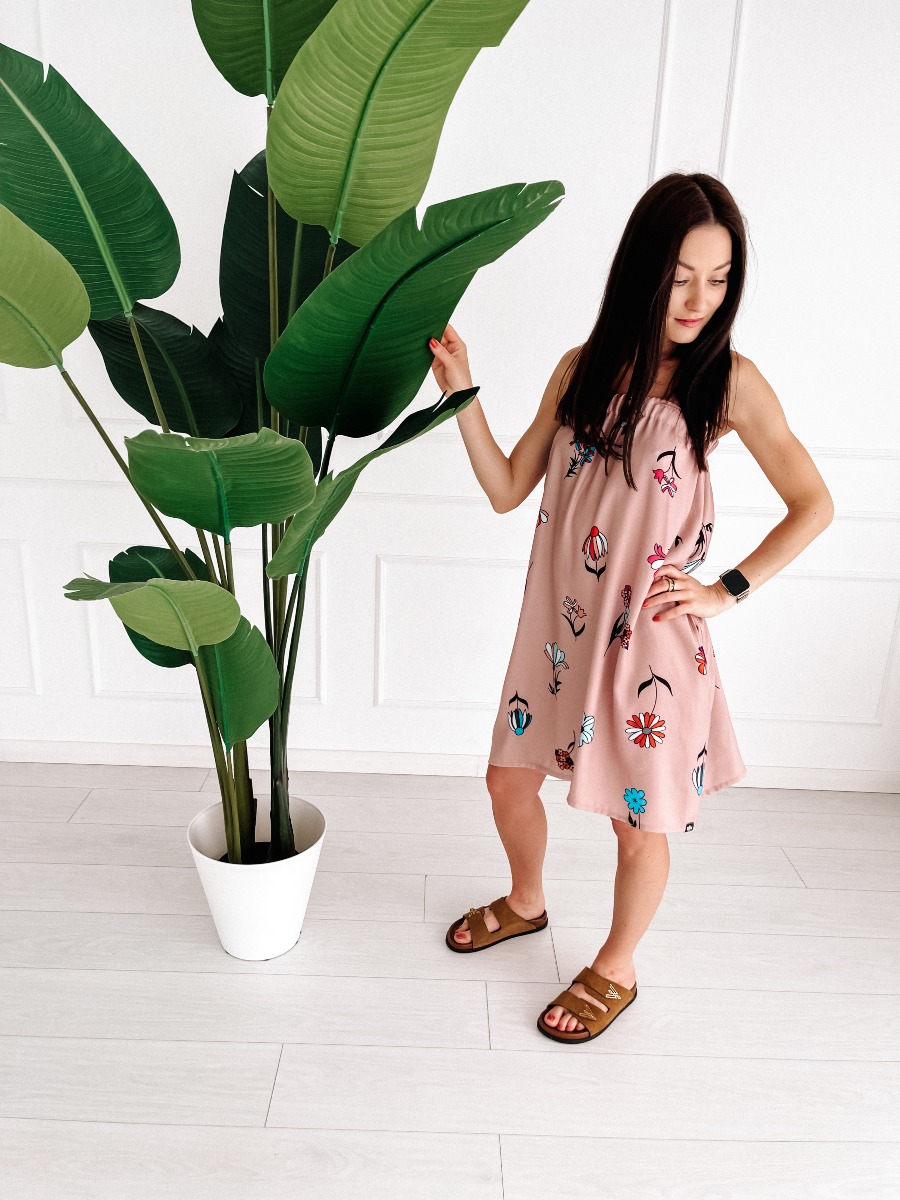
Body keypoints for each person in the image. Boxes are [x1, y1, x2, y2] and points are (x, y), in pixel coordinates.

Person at [427, 171, 833, 1044]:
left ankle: (617, 965)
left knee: (635, 823)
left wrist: (725, 590)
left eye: (719, 279)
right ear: (643, 268)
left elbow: (813, 503)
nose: (699, 299)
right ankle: (526, 902)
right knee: (507, 778)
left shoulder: (729, 383)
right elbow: (507, 488)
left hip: (648, 640)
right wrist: (461, 391)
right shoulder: (580, 368)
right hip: (559, 630)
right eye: (681, 276)